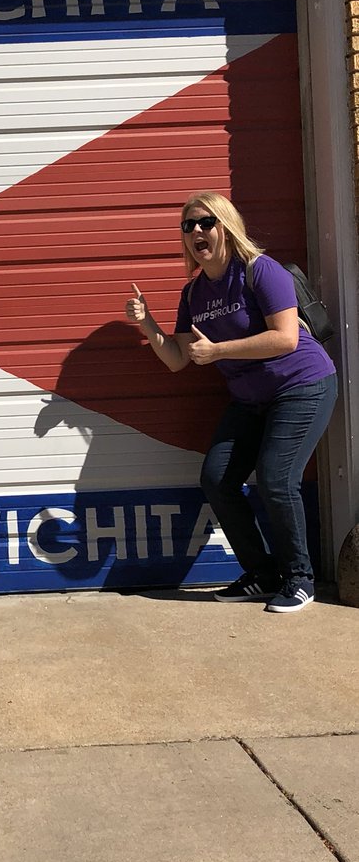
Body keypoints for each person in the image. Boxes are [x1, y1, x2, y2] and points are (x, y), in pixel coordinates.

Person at [125, 191, 337, 612]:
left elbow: (286, 338)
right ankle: (261, 573)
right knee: (217, 480)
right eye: (188, 226)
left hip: (301, 386)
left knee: (276, 480)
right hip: (250, 400)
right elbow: (178, 359)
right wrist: (148, 324)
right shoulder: (193, 295)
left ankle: (300, 580)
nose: (197, 232)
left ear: (225, 226)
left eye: (205, 222)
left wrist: (220, 351)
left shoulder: (260, 271)